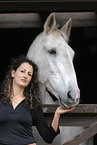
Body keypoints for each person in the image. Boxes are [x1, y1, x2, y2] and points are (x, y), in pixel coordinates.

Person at [0, 55, 75, 145]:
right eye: (22, 71)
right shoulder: (1, 100)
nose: (25, 76)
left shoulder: (32, 103)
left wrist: (57, 114)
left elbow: (48, 137)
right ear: (13, 73)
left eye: (29, 74)